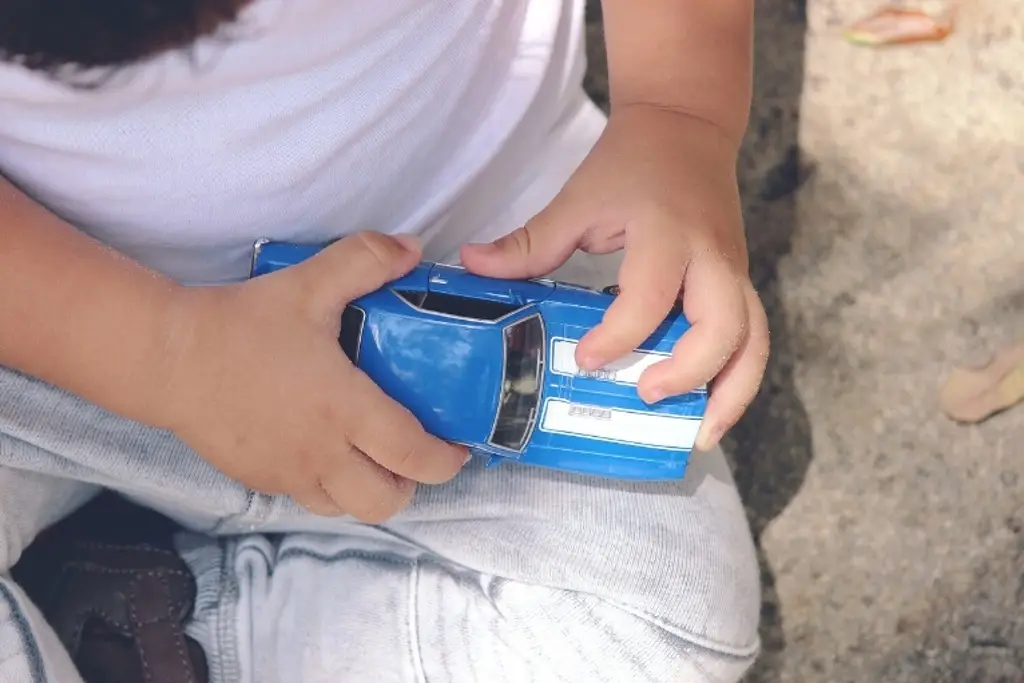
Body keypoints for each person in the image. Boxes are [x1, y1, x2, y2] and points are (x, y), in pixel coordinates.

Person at [0, 1, 769, 681]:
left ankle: (142, 621)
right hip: (57, 344)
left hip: (480, 265)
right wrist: (163, 354)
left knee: (655, 634)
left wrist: (678, 119)